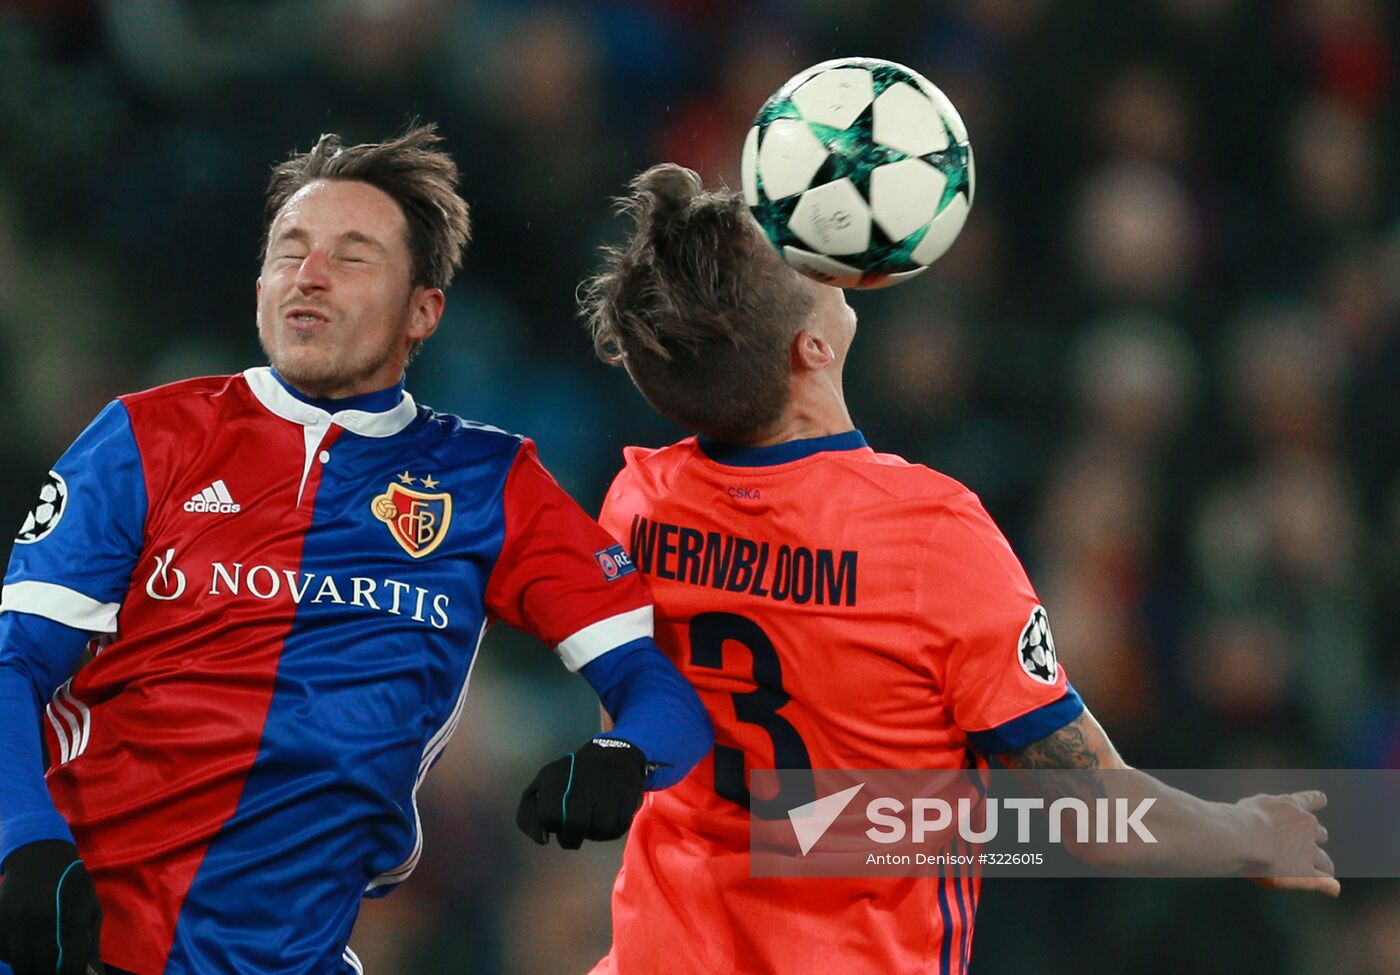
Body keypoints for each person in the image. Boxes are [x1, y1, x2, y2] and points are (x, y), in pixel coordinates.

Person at [578, 164, 1338, 975]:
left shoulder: (638, 505)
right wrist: (1249, 833)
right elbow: (1094, 816)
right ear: (814, 346)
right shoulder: (927, 537)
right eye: (795, 255)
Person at [0, 126, 712, 975]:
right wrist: (22, 844)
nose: (309, 274)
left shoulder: (489, 482)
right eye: (289, 251)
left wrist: (625, 757)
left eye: (353, 255)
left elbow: (660, 690)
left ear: (424, 310)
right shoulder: (144, 438)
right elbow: (13, 666)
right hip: (69, 938)